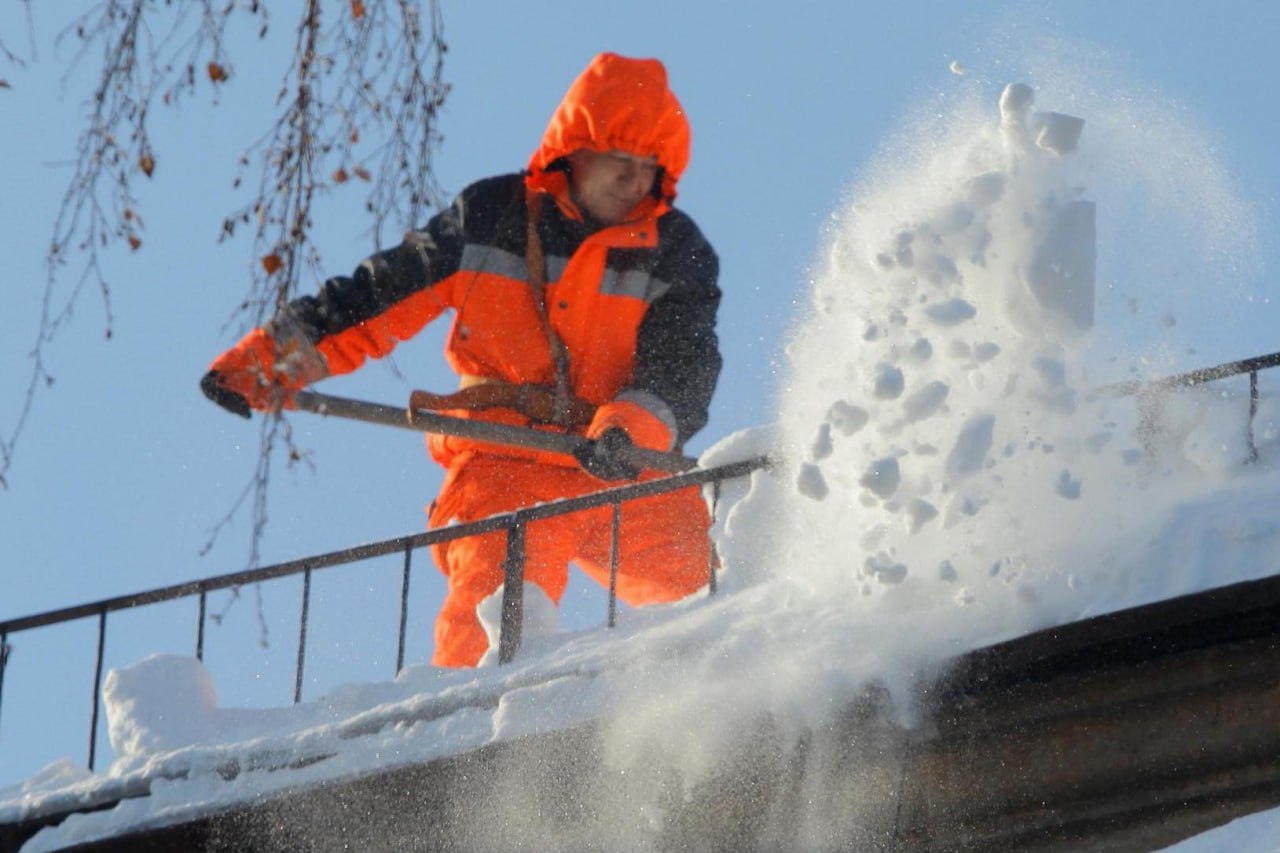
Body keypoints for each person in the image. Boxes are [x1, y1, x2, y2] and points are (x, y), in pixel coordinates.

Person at [201, 53, 722, 667]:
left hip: (617, 461)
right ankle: (462, 741)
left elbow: (684, 363)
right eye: (622, 160)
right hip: (501, 461)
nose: (637, 182)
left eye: (650, 169)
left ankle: (745, 698)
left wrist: (628, 433)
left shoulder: (675, 248)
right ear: (576, 150)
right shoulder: (492, 217)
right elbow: (374, 297)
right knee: (493, 626)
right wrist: (266, 362)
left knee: (722, 581)